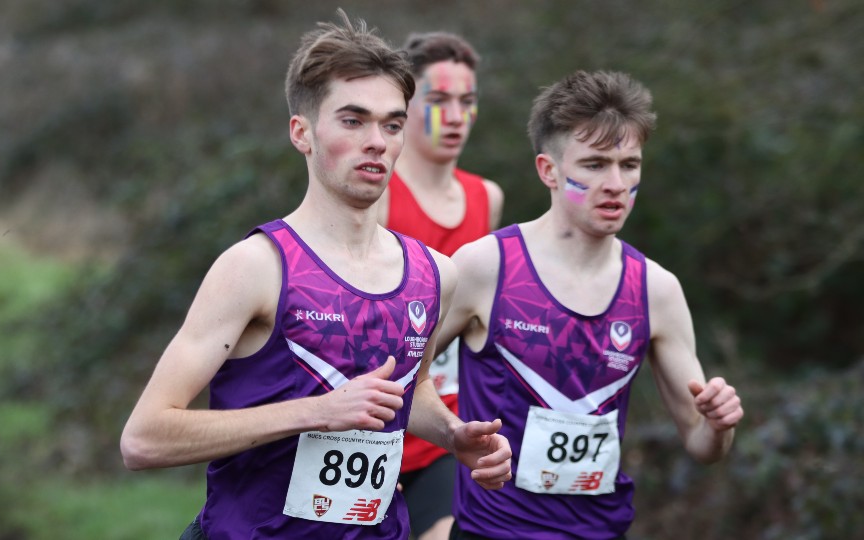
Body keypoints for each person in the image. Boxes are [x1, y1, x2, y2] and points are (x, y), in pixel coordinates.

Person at [120, 10, 511, 540]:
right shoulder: (254, 267)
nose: (377, 141)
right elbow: (144, 439)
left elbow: (408, 392)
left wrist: (453, 434)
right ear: (301, 133)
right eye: (353, 121)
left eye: (391, 124)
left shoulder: (433, 274)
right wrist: (316, 412)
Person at [439, 70, 744, 540]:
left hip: (604, 532)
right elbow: (402, 380)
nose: (617, 183)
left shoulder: (656, 290)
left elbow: (702, 445)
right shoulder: (485, 268)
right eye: (596, 164)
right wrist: (447, 434)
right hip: (492, 532)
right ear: (549, 170)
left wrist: (719, 425)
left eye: (630, 164)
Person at [376, 31, 503, 540]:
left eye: (466, 102)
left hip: (444, 432)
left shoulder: (485, 198)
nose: (455, 116)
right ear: (406, 106)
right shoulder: (378, 194)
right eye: (438, 101)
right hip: (369, 433)